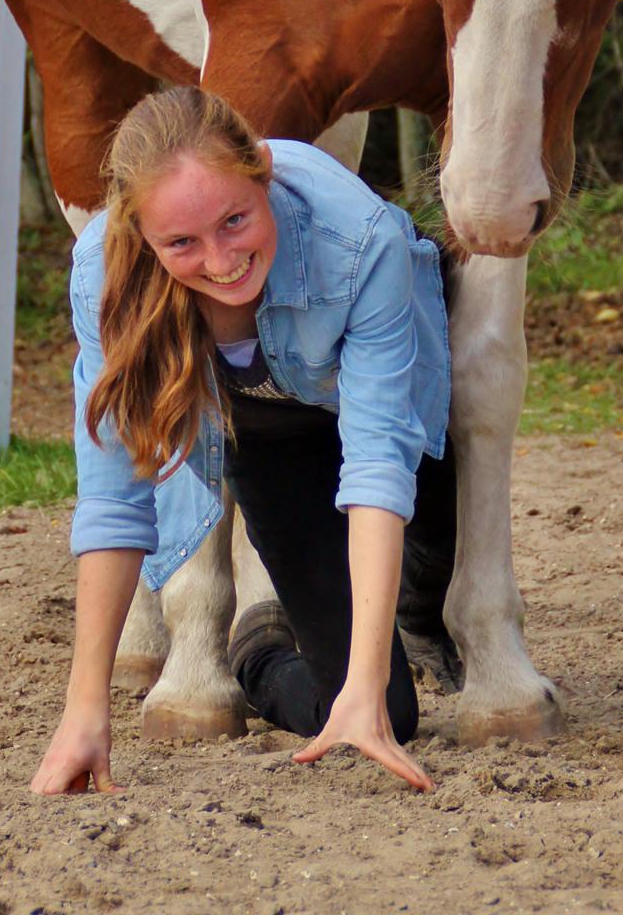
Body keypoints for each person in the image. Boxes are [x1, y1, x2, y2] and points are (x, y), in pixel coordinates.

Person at [31, 87, 454, 796]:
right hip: (269, 428)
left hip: (377, 395)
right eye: (181, 244)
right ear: (140, 234)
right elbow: (112, 497)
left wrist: (367, 669)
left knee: (429, 584)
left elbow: (377, 458)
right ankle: (256, 648)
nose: (222, 260)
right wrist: (84, 709)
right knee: (385, 711)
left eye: (235, 220)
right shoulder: (101, 273)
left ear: (262, 171)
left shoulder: (359, 239)